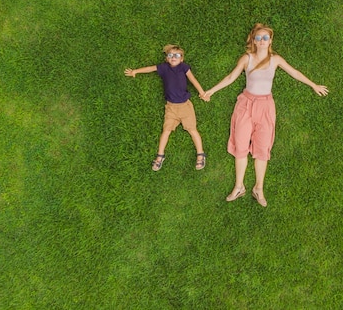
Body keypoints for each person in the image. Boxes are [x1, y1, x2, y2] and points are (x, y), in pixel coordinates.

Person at [201, 24, 328, 207]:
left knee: (262, 149)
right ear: (253, 40)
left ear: (270, 41)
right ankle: (239, 186)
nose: (261, 41)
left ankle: (258, 188)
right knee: (241, 146)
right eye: (258, 38)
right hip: (245, 105)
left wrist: (313, 85)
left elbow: (294, 72)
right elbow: (231, 77)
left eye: (265, 38)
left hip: (265, 107)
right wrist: (211, 91)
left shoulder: (275, 60)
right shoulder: (247, 58)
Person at [125, 44, 207, 171]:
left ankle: (201, 154)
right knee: (166, 131)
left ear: (182, 59)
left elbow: (193, 79)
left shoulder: (184, 67)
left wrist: (202, 92)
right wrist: (136, 71)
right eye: (170, 55)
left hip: (185, 106)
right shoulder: (164, 68)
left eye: (177, 55)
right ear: (167, 58)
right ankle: (160, 156)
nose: (173, 57)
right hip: (171, 107)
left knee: (192, 130)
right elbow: (150, 68)